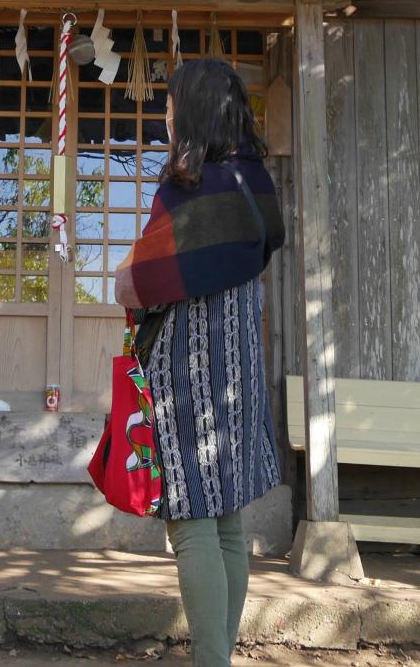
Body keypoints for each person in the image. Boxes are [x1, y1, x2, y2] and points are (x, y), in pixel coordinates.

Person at [114, 58, 286, 667]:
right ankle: (221, 655)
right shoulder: (253, 182)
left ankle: (211, 662)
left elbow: (136, 286)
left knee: (191, 526)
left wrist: (122, 276)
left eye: (169, 105)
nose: (164, 117)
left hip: (190, 375)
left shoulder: (189, 189)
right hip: (238, 371)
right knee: (229, 525)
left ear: (192, 113)